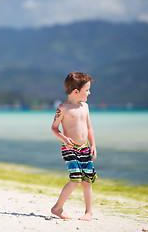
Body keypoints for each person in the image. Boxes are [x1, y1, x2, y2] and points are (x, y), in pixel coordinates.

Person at [51, 72, 97, 221]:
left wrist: (93, 145)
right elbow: (54, 128)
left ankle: (88, 212)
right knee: (76, 178)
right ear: (76, 92)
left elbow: (89, 128)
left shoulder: (85, 107)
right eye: (87, 90)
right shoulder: (63, 108)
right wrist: (64, 138)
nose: (89, 92)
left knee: (87, 180)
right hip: (70, 148)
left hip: (85, 148)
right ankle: (57, 208)